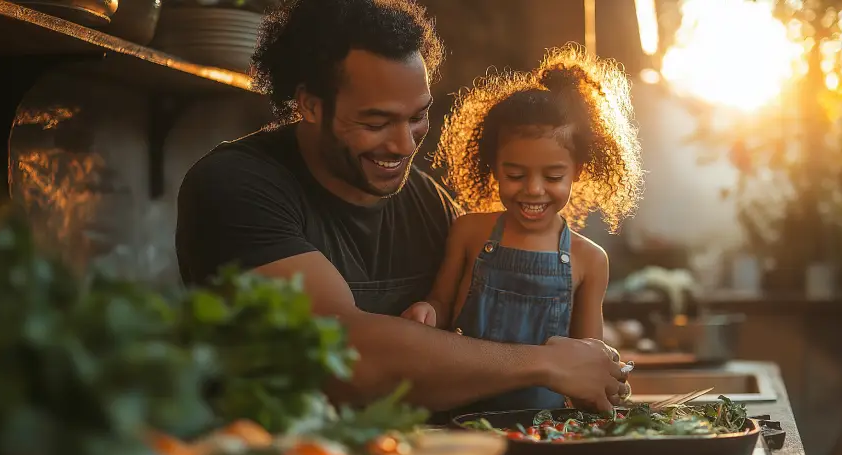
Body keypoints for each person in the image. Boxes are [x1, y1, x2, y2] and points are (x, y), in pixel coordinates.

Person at [174, 0, 628, 415]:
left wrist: (584, 360)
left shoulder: (428, 202)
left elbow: (479, 334)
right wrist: (545, 364)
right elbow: (343, 357)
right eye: (376, 122)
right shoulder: (237, 187)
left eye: (417, 116)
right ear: (310, 105)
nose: (403, 143)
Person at [401, 45, 642, 419]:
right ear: (493, 166)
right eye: (515, 175)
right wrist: (425, 312)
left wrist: (607, 383)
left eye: (553, 176)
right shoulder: (469, 232)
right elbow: (442, 306)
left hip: (542, 429)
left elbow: (588, 356)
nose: (533, 189)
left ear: (578, 169)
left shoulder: (590, 260)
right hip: (461, 419)